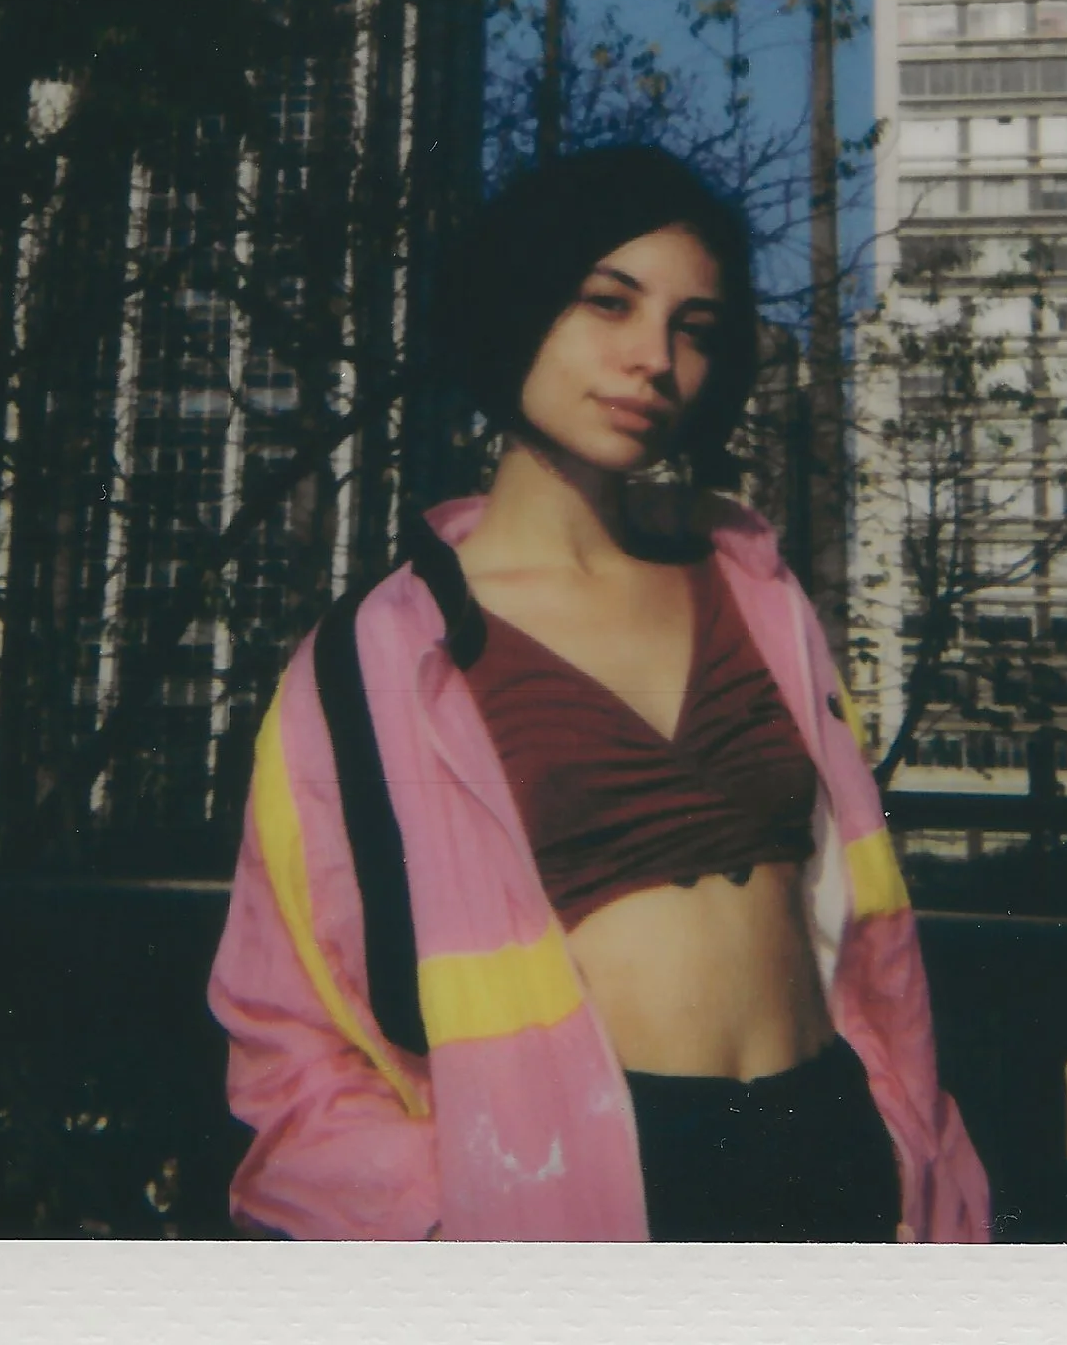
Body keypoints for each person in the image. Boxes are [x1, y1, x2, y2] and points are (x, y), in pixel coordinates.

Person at [207, 144, 990, 1242]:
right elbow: (287, 1029)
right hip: (589, 1203)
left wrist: (915, 1161)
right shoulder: (375, 661)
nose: (654, 360)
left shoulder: (758, 597)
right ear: (519, 304)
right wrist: (446, 1232)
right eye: (607, 303)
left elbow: (869, 946)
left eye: (695, 328)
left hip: (835, 1159)